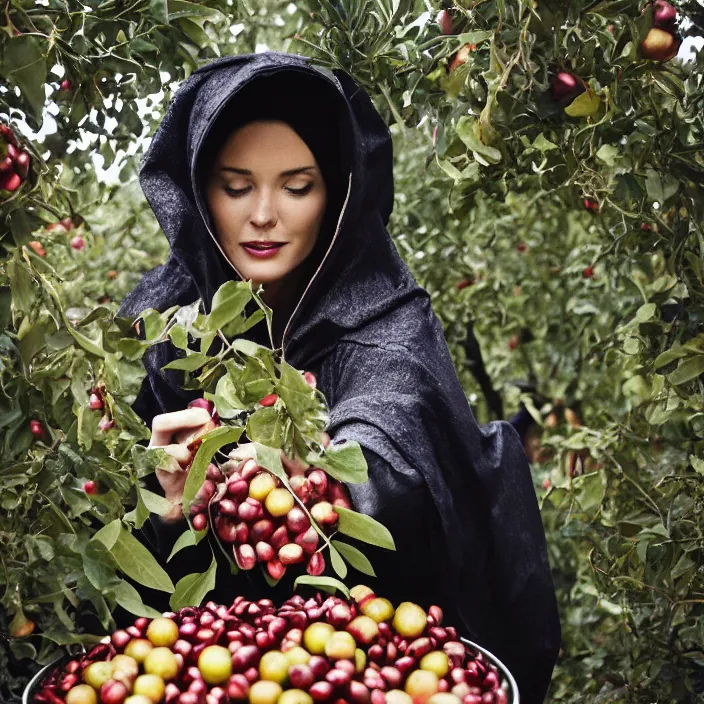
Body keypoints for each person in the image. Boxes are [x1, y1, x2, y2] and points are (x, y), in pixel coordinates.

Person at [118, 51, 561, 704]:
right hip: (224, 674)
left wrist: (324, 480)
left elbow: (396, 422)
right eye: (235, 185)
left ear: (337, 193)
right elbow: (136, 581)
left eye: (297, 186)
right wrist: (164, 505)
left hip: (367, 672)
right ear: (199, 191)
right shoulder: (178, 335)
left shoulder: (389, 316)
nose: (263, 214)